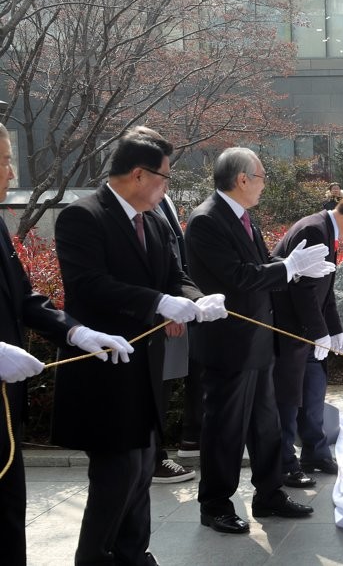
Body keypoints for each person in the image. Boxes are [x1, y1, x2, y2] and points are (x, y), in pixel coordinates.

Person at [52, 126, 226, 565]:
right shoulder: (83, 216)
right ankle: (94, 557)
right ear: (138, 174)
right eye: (164, 177)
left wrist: (194, 299)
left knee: (144, 463)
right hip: (103, 366)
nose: (167, 186)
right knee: (117, 471)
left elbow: (175, 275)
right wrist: (158, 303)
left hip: (144, 367)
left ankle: (134, 553)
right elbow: (89, 285)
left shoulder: (154, 220)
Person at [0, 124, 137, 566]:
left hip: (5, 407)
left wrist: (76, 332)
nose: (9, 171)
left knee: (7, 517)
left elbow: (24, 297)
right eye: (3, 160)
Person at [185, 147, 336, 535]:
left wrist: (294, 269)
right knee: (225, 430)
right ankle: (215, 504)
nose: (264, 184)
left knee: (265, 425)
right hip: (228, 345)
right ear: (242, 179)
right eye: (262, 176)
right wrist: (287, 267)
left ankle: (268, 494)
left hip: (258, 341)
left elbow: (261, 266)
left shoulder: (242, 216)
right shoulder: (206, 220)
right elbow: (238, 277)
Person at [272, 191, 343, 488]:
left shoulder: (327, 231)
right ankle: (285, 464)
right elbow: (302, 290)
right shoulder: (314, 230)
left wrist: (335, 330)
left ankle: (315, 453)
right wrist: (319, 331)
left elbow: (325, 290)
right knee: (288, 400)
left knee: (313, 394)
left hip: (309, 333)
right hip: (290, 332)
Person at [150, 193, 197, 483]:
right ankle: (154, 458)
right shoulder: (138, 205)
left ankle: (155, 454)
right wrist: (164, 309)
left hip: (171, 310)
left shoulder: (161, 198)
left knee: (164, 386)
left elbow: (174, 262)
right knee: (154, 388)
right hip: (154, 319)